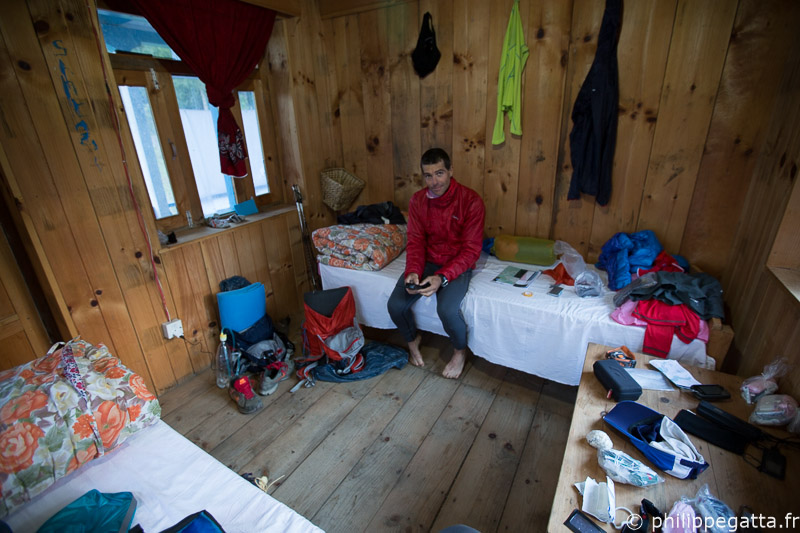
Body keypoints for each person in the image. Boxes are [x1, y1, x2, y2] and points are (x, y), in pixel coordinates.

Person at [387, 148, 485, 379]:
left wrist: (443, 277)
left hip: (456, 264)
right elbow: (416, 241)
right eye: (428, 175)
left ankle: (460, 352)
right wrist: (412, 271)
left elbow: (471, 251)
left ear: (451, 170)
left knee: (448, 310)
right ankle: (413, 341)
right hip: (427, 261)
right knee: (395, 304)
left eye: (439, 173)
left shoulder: (471, 201)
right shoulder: (418, 201)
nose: (434, 181)